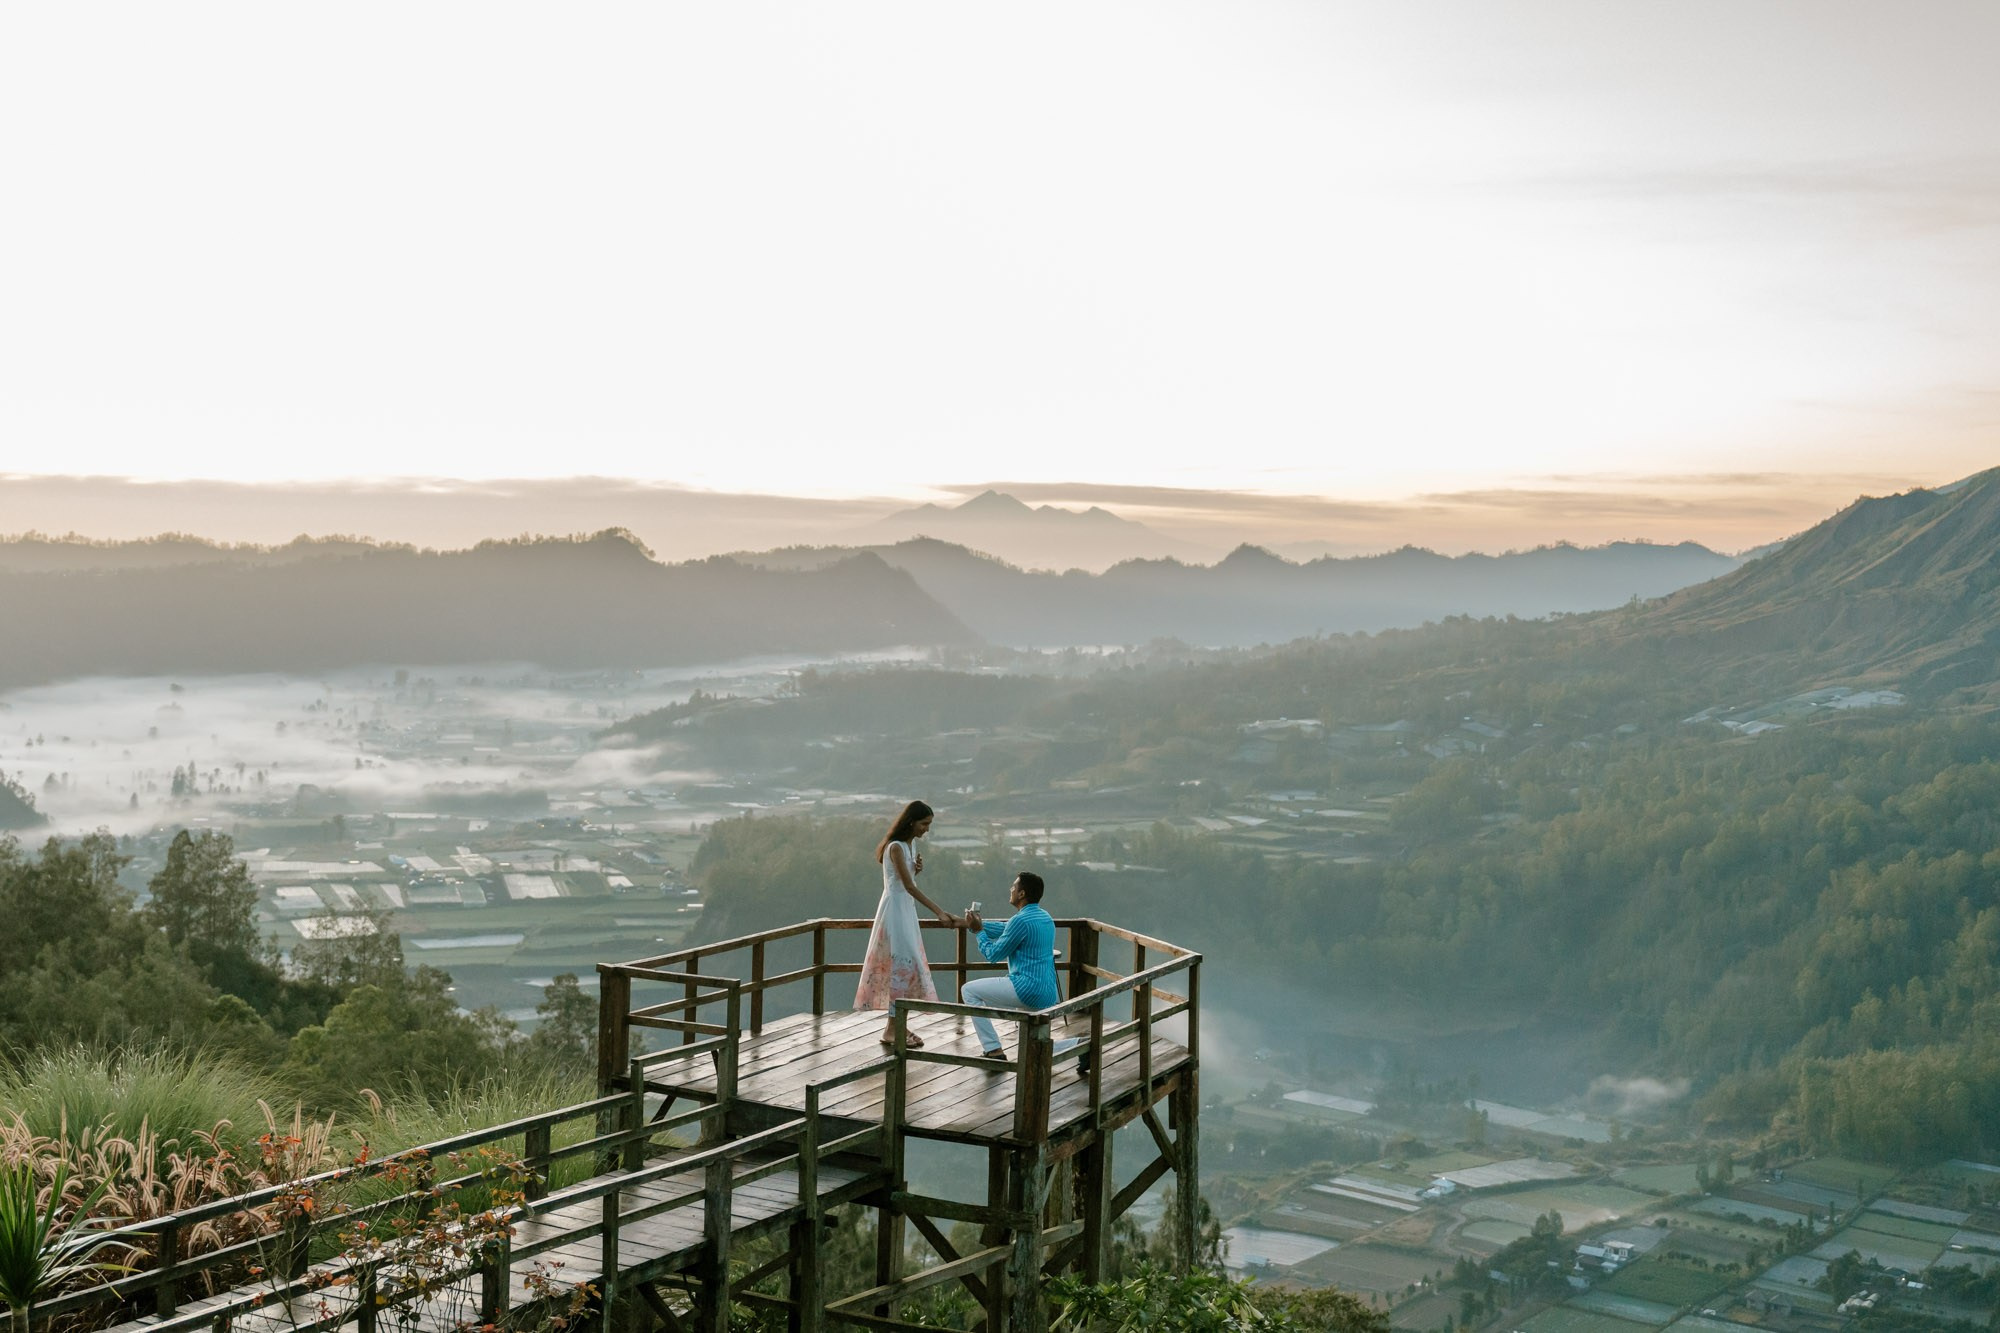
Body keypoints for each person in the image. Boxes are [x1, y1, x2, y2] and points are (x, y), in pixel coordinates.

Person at [855, 799, 958, 1047]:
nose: (927, 829)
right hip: (896, 911)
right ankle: (892, 1028)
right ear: (911, 822)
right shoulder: (897, 847)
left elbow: (906, 881)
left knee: (906, 965)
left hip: (904, 910)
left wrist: (915, 870)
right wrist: (939, 911)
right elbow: (908, 888)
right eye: (924, 824)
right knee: (901, 965)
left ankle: (895, 1025)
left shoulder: (908, 847)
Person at [961, 871, 1079, 1063]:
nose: (1011, 889)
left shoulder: (1020, 920)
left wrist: (979, 931)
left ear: (1022, 893)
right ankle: (1077, 1045)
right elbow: (1007, 929)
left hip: (1026, 989)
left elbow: (993, 955)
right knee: (1034, 1044)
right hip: (1047, 992)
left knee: (969, 991)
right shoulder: (1044, 917)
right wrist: (973, 924)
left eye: (1014, 887)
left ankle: (993, 1050)